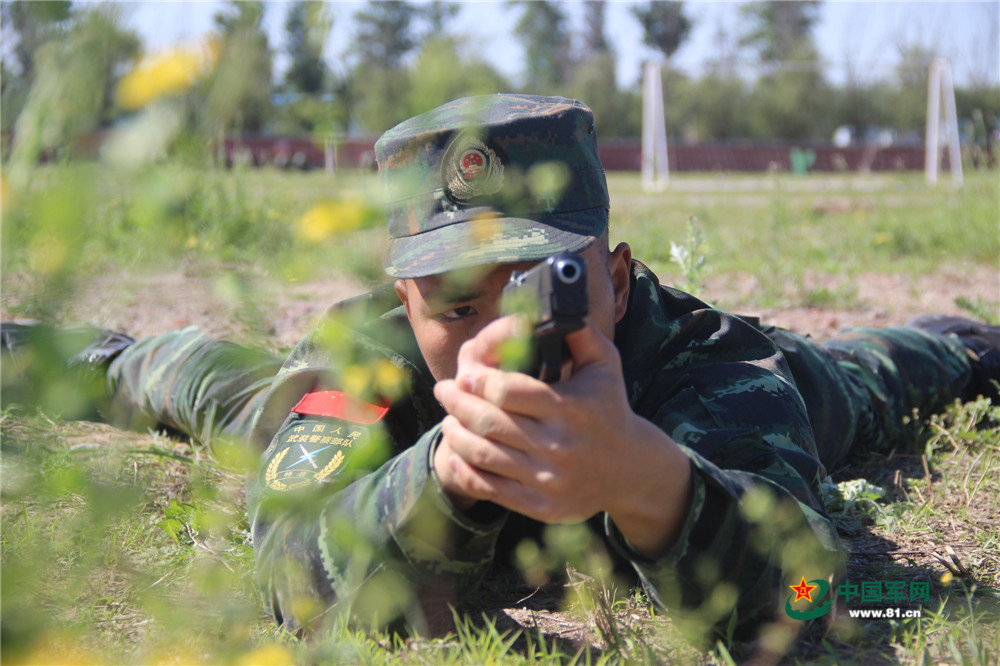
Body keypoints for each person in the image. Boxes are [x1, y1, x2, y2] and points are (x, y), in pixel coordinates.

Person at [2, 94, 997, 646]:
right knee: (204, 385)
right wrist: (441, 476)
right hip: (403, 423)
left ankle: (968, 340)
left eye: (539, 287)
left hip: (680, 401)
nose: (501, 335)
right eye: (456, 306)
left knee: (868, 378)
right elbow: (290, 576)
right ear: (403, 305)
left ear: (614, 279)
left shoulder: (705, 367)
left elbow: (812, 594)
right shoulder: (367, 365)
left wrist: (648, 480)